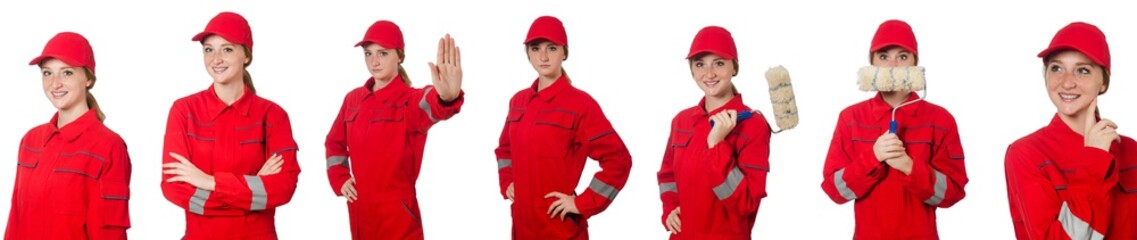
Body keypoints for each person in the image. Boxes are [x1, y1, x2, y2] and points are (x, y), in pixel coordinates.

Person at [819, 19, 968, 239]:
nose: (892, 65)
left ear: (915, 63)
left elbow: (953, 193)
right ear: (871, 63)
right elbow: (835, 191)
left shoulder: (940, 120)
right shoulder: (850, 118)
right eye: (883, 57)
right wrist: (872, 158)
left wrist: (909, 166)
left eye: (903, 57)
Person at [160, 11, 300, 240]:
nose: (216, 59)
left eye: (227, 49)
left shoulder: (273, 116)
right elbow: (174, 188)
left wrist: (209, 182)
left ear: (246, 55)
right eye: (209, 50)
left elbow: (284, 188)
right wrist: (252, 190)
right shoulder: (184, 111)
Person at [493, 15, 633, 239]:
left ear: (564, 53)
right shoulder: (518, 102)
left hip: (560, 228)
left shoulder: (580, 104)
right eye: (536, 48)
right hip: (522, 225)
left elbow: (619, 159)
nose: (543, 56)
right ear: (528, 54)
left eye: (552, 48)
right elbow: (504, 150)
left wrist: (583, 202)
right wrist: (508, 181)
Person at [324, 20, 465, 240]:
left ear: (399, 56)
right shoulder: (353, 100)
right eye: (368, 54)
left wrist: (446, 97)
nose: (374, 61)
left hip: (398, 217)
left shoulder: (409, 100)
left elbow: (430, 103)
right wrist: (340, 177)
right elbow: (334, 143)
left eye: (382, 53)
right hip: (361, 212)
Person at [1004, 21, 1137, 240]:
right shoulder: (1026, 154)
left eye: (1082, 70)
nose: (1066, 83)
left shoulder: (1131, 150)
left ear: (1103, 81)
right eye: (1056, 68)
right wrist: (1095, 159)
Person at [6, 31, 132, 240]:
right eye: (47, 73)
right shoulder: (31, 140)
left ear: (88, 78)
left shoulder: (108, 146)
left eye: (67, 73)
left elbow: (109, 232)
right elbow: (15, 218)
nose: (55, 83)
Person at [656, 26, 772, 239]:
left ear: (734, 68)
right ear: (692, 70)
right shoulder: (681, 121)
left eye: (719, 63)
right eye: (700, 64)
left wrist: (717, 145)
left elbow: (745, 204)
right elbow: (667, 176)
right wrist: (670, 208)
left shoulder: (753, 125)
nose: (709, 74)